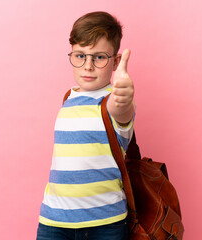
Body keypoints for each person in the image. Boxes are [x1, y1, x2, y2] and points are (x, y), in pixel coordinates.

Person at [36, 11, 135, 240]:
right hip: (54, 220)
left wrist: (124, 97)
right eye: (80, 55)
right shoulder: (68, 98)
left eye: (99, 57)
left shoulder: (111, 100)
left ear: (116, 62)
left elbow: (121, 110)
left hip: (105, 224)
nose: (87, 66)